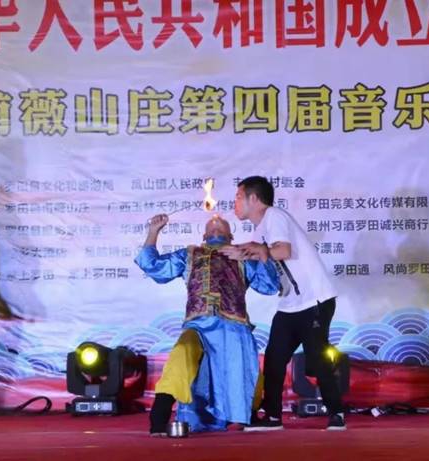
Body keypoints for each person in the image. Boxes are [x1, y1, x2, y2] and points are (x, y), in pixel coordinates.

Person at [135, 214, 279, 435]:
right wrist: (154, 231)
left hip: (233, 326)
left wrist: (261, 253)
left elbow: (270, 286)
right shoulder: (189, 254)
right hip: (198, 325)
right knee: (182, 354)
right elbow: (153, 266)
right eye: (211, 228)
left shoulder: (242, 256)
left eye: (221, 227)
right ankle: (159, 415)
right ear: (204, 236)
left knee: (240, 367)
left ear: (231, 236)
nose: (216, 225)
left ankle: (247, 416)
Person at [221, 176, 346, 431]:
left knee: (317, 358)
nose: (234, 203)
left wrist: (252, 250)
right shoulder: (259, 230)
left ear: (253, 199)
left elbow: (283, 251)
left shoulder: (274, 216)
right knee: (274, 360)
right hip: (290, 304)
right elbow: (261, 262)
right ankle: (273, 417)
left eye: (238, 197)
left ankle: (337, 413)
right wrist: (236, 254)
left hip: (314, 300)